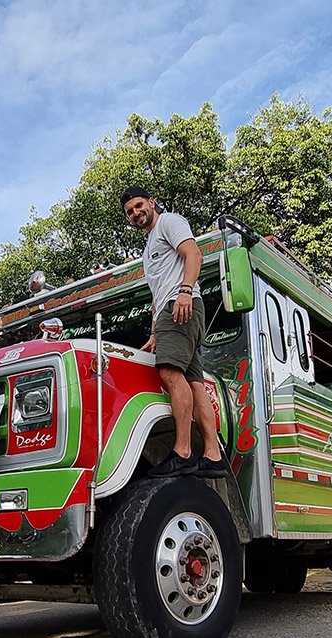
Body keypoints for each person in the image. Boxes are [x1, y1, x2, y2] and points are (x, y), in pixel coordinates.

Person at [120, 186, 225, 478]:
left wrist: (185, 292)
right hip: (171, 308)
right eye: (130, 212)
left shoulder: (169, 222)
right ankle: (213, 455)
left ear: (152, 202)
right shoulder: (148, 247)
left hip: (181, 305)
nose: (136, 213)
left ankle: (182, 452)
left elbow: (193, 254)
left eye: (139, 205)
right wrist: (155, 332)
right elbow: (157, 292)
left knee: (168, 373)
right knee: (193, 382)